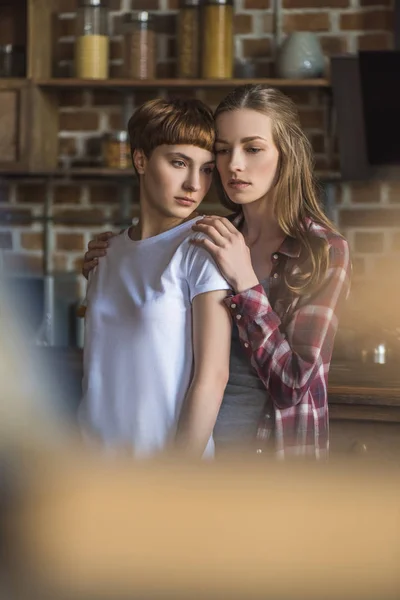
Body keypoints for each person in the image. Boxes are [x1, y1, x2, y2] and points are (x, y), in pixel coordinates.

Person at [82, 85, 351, 460]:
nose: (234, 164)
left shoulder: (321, 250)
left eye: (252, 148)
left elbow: (293, 383)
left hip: (275, 460)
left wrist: (246, 282)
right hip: (205, 449)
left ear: (286, 155)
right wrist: (109, 260)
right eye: (223, 151)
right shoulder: (205, 238)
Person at [79, 97, 232, 460]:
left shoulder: (202, 247)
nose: (195, 184)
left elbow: (213, 377)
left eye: (207, 169)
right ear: (141, 160)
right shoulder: (106, 252)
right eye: (179, 163)